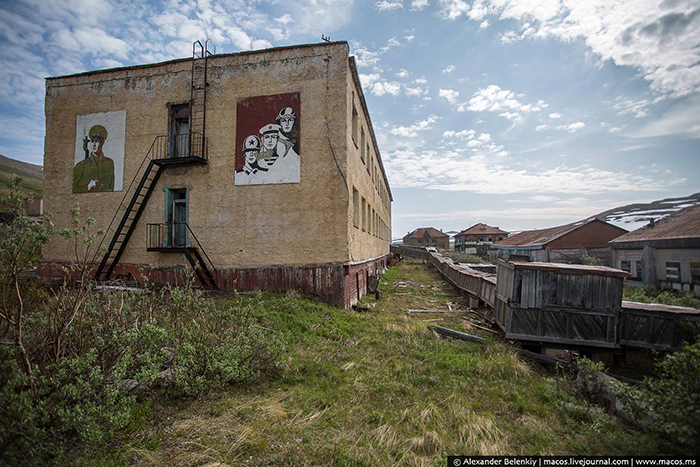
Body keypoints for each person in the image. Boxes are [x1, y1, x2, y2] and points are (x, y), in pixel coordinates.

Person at [72, 124, 115, 193]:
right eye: (92, 141)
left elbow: (111, 187)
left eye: (97, 141)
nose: (94, 144)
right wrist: (87, 187)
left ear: (102, 142)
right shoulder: (81, 166)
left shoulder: (109, 163)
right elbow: (73, 189)